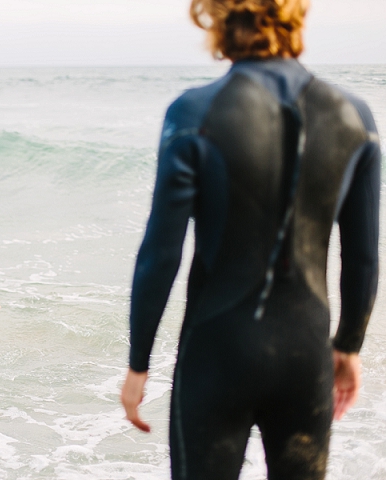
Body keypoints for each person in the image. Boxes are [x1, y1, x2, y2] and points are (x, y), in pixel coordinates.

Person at [120, 0, 380, 478]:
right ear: (294, 18)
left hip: (217, 353)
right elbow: (363, 258)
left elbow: (160, 254)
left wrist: (138, 364)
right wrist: (348, 347)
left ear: (218, 20)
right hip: (305, 358)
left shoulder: (194, 112)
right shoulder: (355, 116)